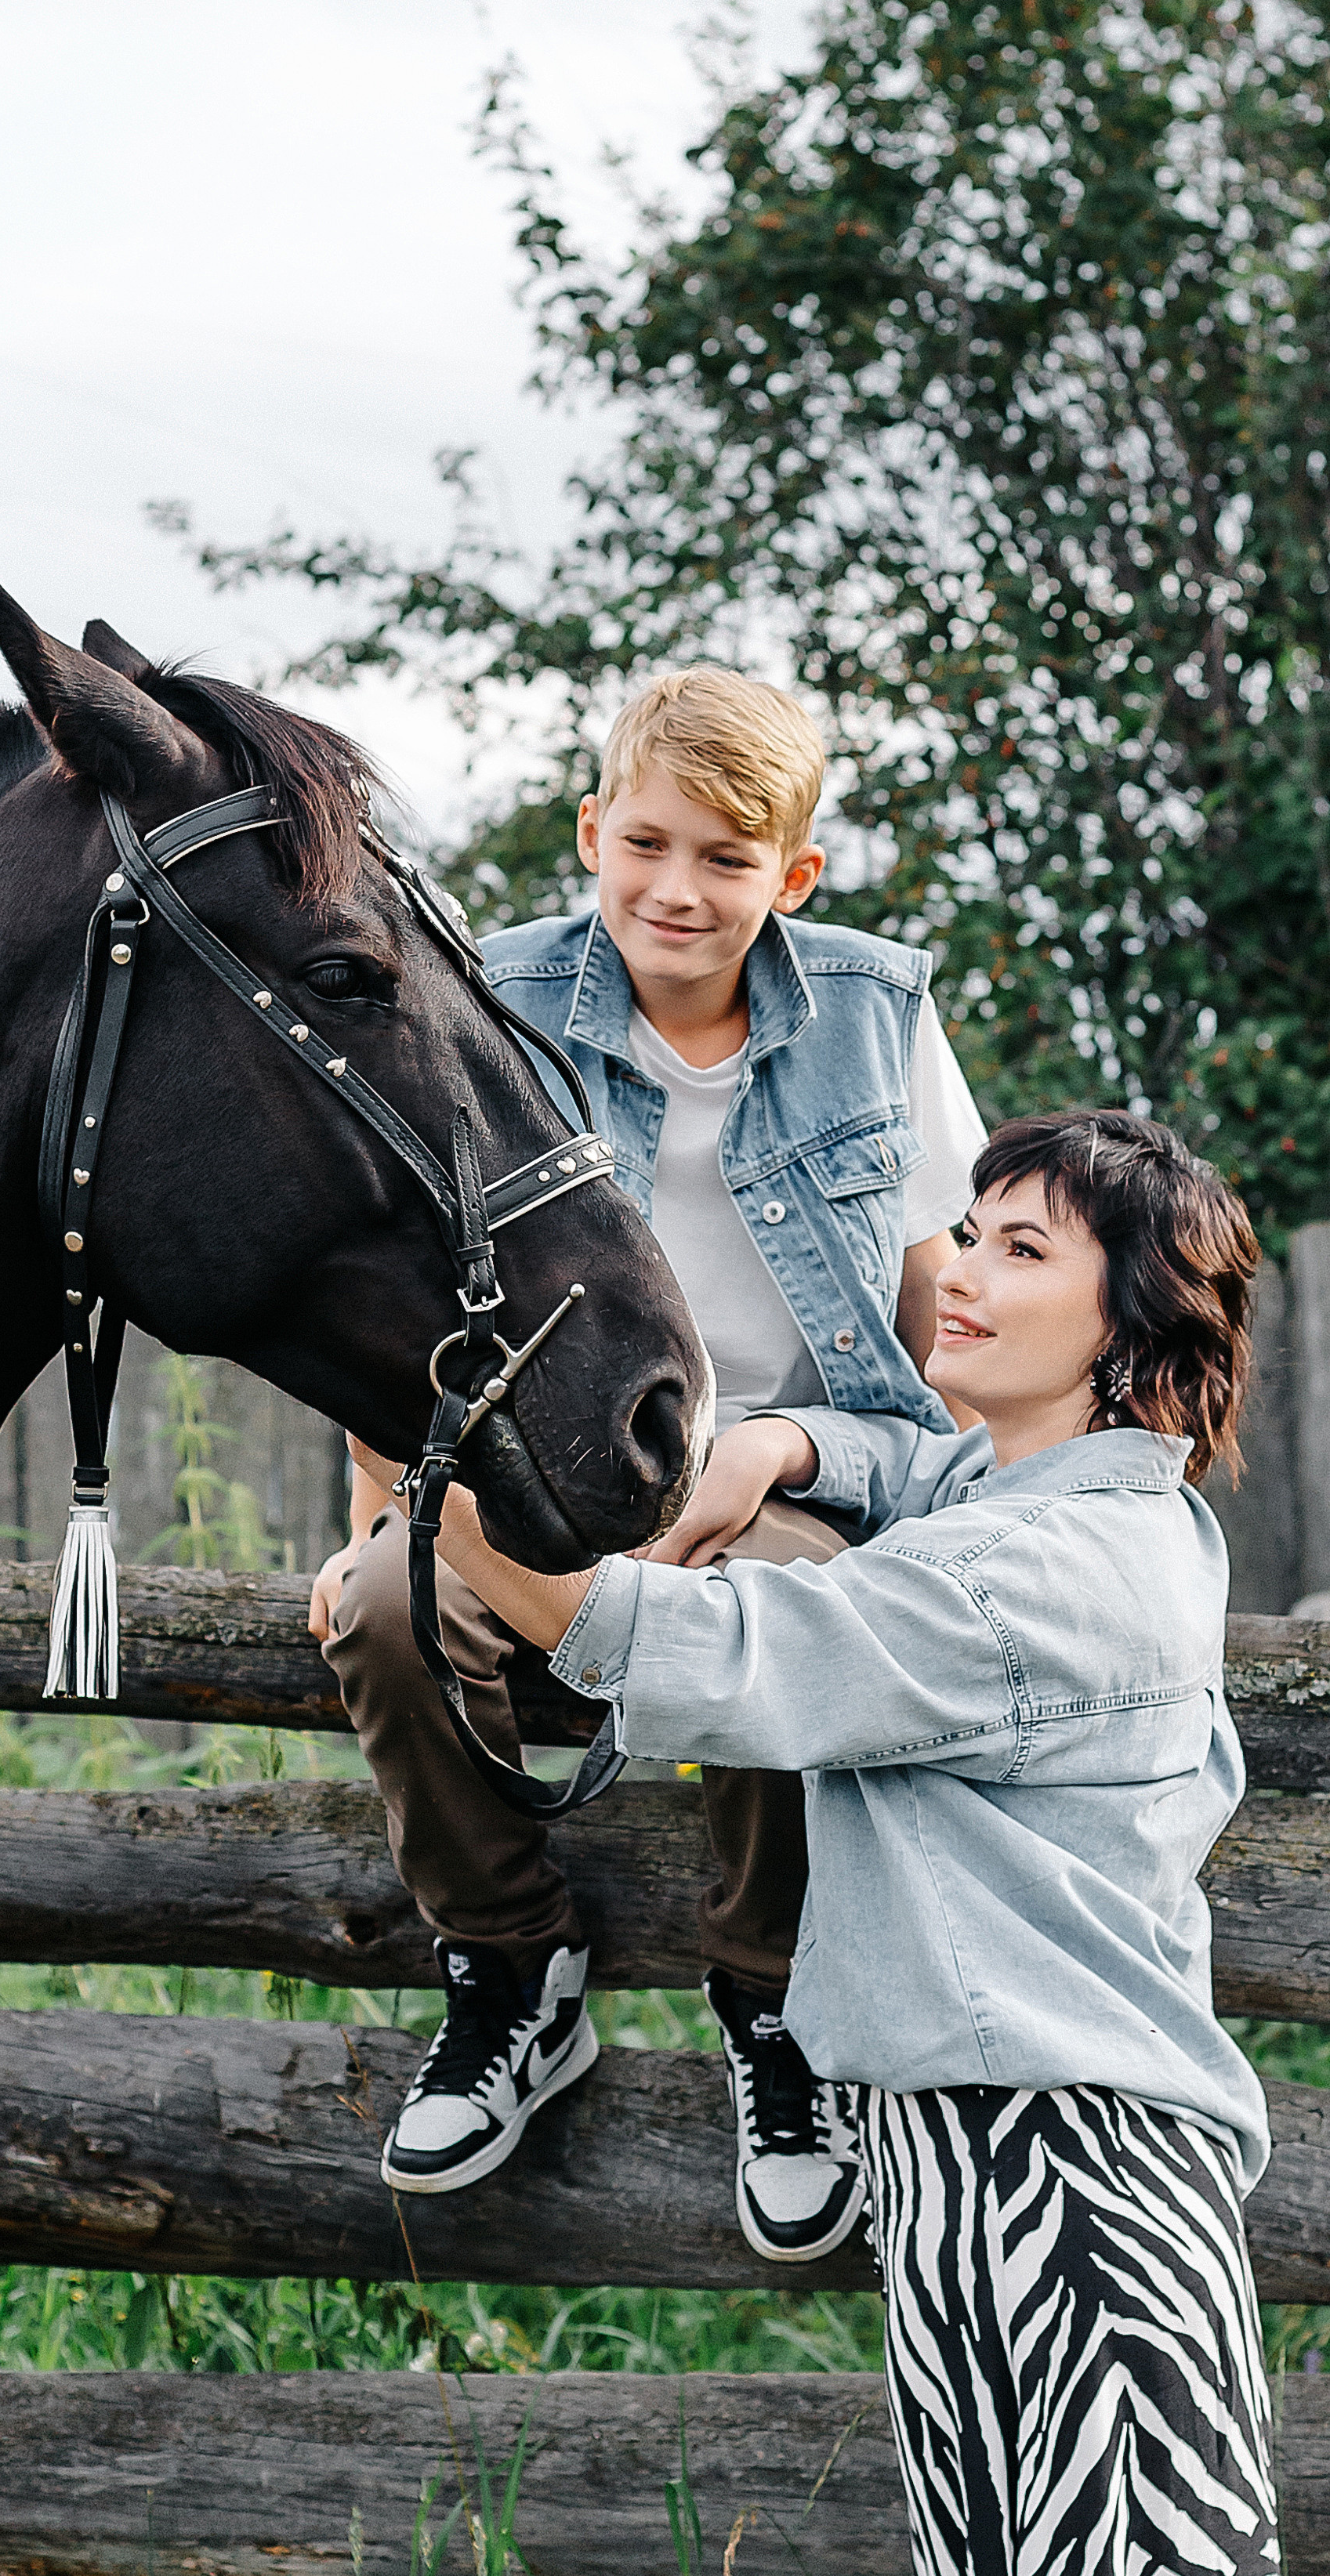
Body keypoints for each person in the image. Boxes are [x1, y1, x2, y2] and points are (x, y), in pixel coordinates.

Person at [358, 1109, 1327, 2576]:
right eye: (967, 1230)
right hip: (965, 2159)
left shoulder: (1067, 1567)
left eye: (1023, 1249)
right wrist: (794, 1436)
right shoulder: (1007, 1491)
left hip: (1083, 2181)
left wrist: (451, 1523)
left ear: (1138, 1334)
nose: (957, 1269)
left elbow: (732, 1660)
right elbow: (889, 1460)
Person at [311, 666, 988, 2253]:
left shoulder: (877, 1021)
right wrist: (378, 1515)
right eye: (651, 843)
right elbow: (393, 1287)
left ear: (793, 875)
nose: (679, 890)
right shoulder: (489, 995)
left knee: (780, 1626)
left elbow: (935, 1351)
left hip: (793, 1483)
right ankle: (510, 1965)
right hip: (531, 1474)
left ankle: (773, 2006)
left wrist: (779, 1443)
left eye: (728, 859)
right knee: (390, 1612)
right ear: (594, 829)